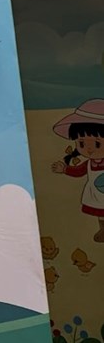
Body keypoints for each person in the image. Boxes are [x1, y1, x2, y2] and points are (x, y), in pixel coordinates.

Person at [52, 99, 104, 243]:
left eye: (97, 144)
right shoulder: (89, 163)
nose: (89, 149)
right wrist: (65, 169)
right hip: (97, 195)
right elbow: (79, 171)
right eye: (81, 143)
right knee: (101, 214)